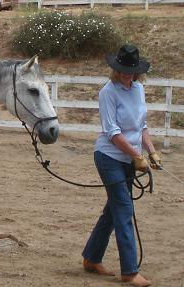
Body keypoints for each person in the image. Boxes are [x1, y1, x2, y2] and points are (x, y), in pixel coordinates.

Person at [82, 44, 162, 287]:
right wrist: (137, 155)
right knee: (124, 210)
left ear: (137, 72)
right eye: (123, 70)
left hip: (129, 158)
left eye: (131, 70)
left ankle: (91, 258)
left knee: (113, 211)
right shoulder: (108, 92)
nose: (127, 74)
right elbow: (112, 132)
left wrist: (151, 151)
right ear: (115, 70)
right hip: (109, 158)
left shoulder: (138, 89)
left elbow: (142, 126)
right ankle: (129, 270)